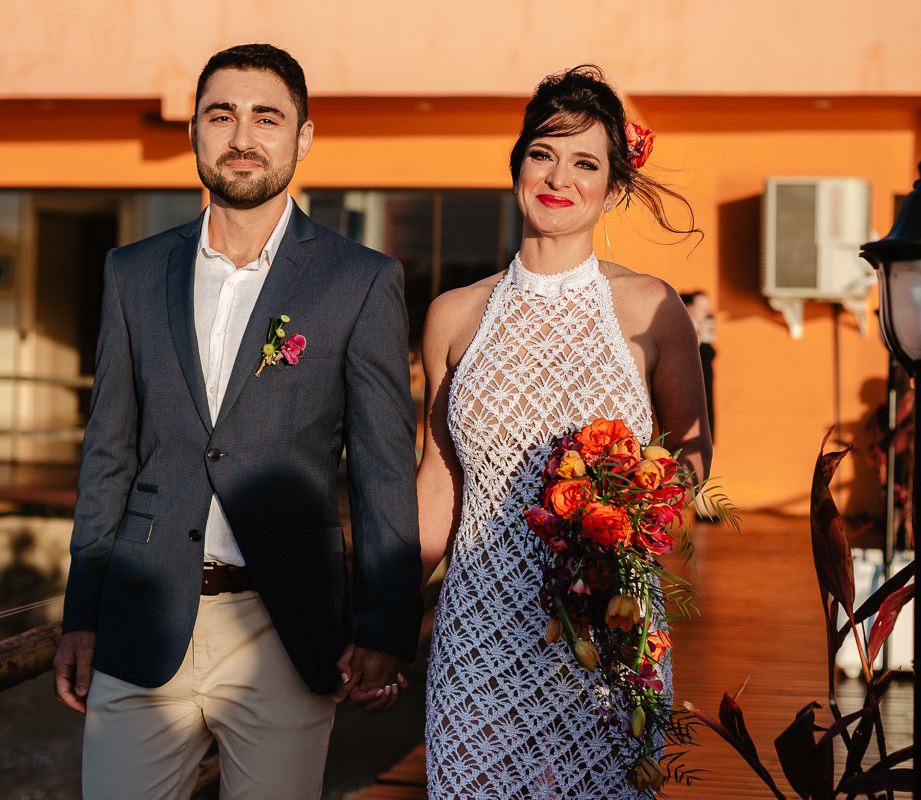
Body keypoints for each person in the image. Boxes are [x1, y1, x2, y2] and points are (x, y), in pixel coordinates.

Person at [52, 44, 423, 800]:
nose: (243, 137)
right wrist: (80, 613)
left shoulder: (361, 280)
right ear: (194, 131)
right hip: (142, 617)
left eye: (266, 117)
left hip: (283, 628)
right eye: (222, 115)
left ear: (303, 138)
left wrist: (386, 627)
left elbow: (383, 466)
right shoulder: (132, 271)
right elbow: (109, 455)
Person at [416, 65, 712, 797]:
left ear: (612, 189)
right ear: (518, 163)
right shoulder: (453, 316)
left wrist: (629, 517)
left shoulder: (650, 309)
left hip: (605, 633)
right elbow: (439, 478)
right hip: (478, 633)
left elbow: (691, 455)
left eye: (586, 163)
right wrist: (384, 620)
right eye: (544, 153)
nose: (559, 177)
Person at [680, 290, 716, 440]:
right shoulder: (685, 330)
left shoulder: (702, 330)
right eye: (702, 308)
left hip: (705, 388)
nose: (706, 313)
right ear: (689, 307)